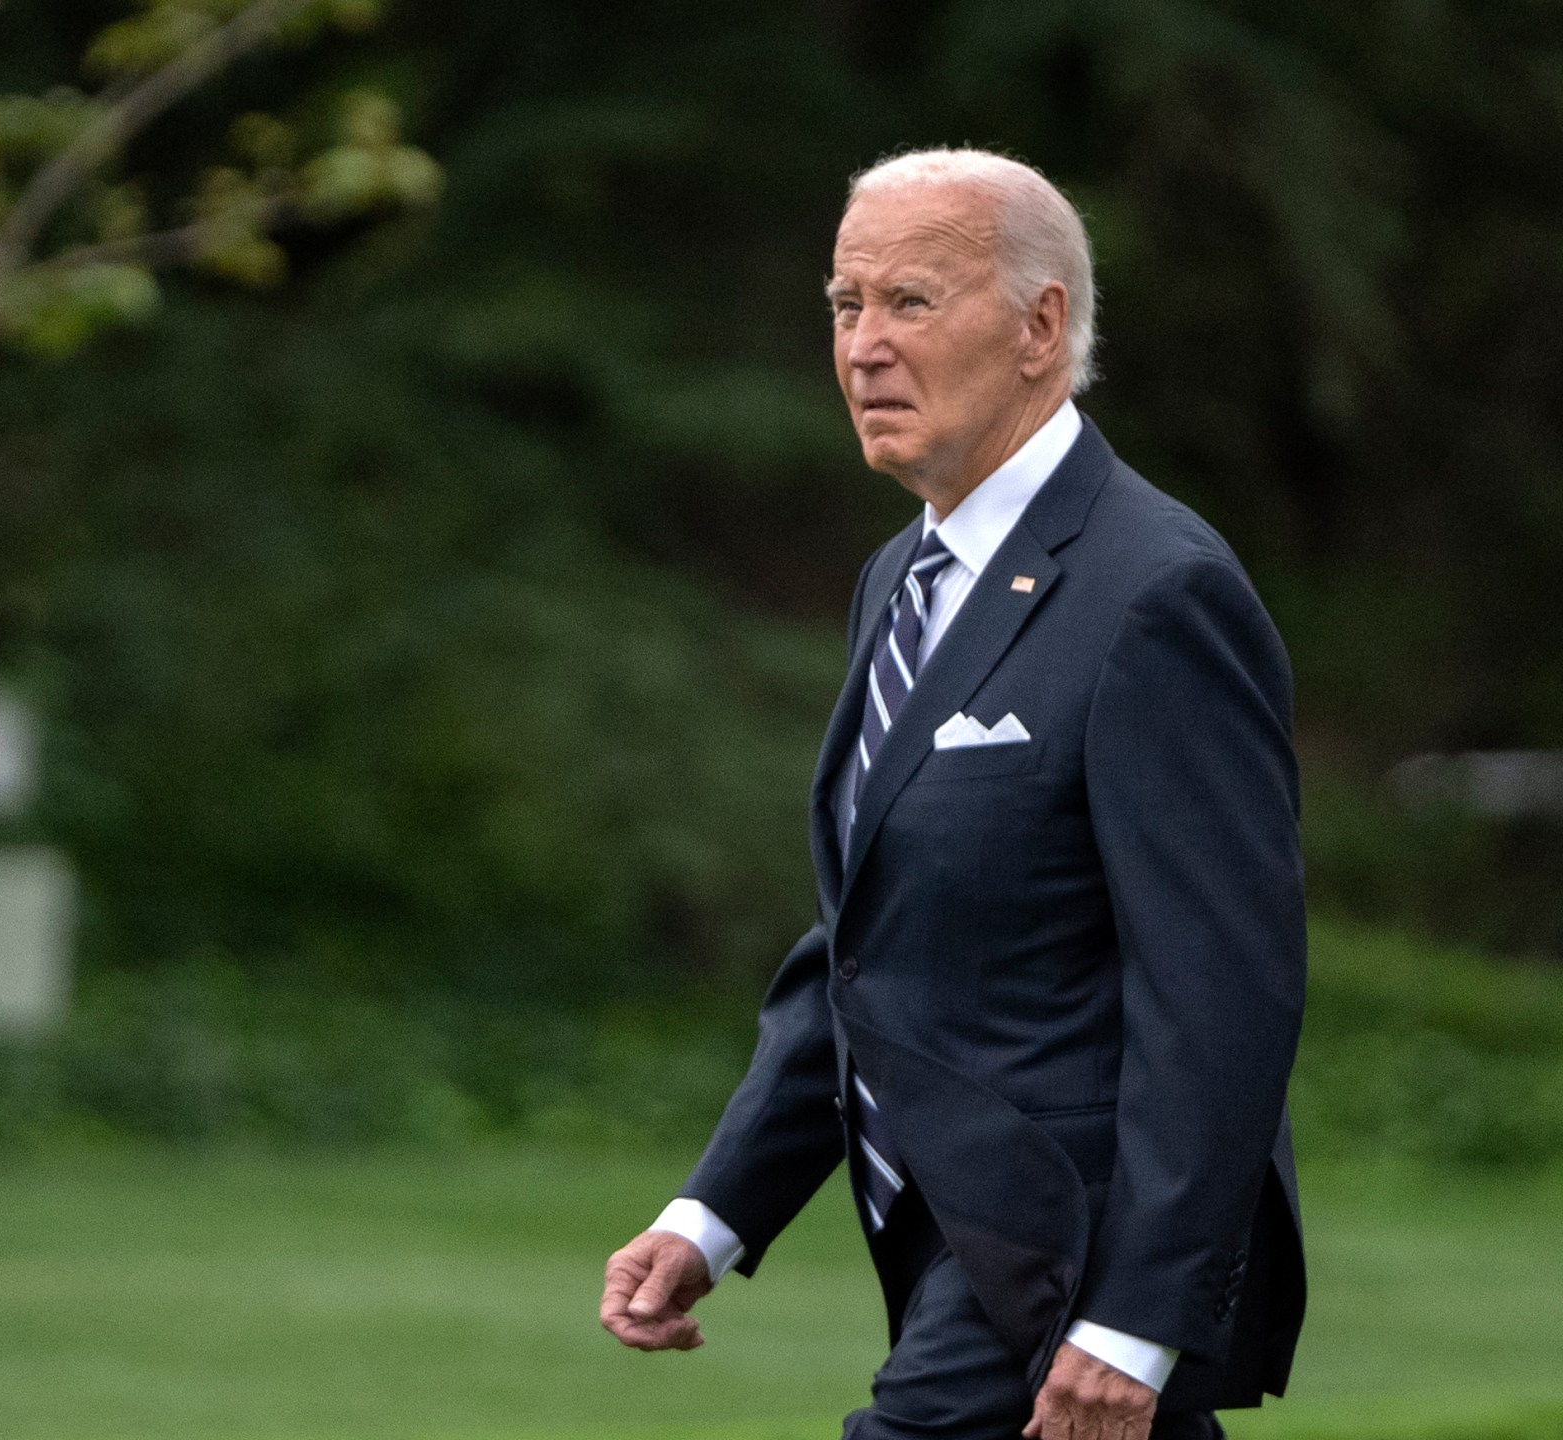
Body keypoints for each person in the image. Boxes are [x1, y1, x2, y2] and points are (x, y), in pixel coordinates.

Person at [599, 147, 1307, 1440]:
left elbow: (1223, 988)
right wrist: (711, 1213)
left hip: (1067, 1249)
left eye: (910, 303)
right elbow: (867, 943)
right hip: (951, 1241)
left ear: (1042, 327)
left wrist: (1140, 1315)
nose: (864, 346)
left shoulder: (1158, 593)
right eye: (843, 306)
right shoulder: (902, 582)